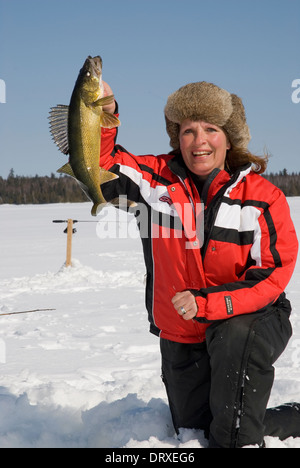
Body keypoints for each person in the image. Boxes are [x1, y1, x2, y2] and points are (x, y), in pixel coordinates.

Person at [99, 80, 299, 448]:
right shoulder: (154, 182)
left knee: (231, 423)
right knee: (199, 430)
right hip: (183, 333)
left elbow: (272, 275)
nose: (199, 140)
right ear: (177, 137)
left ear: (229, 138)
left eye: (211, 129)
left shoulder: (262, 198)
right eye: (188, 130)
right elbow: (101, 167)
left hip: (249, 322)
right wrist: (103, 114)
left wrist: (209, 303)